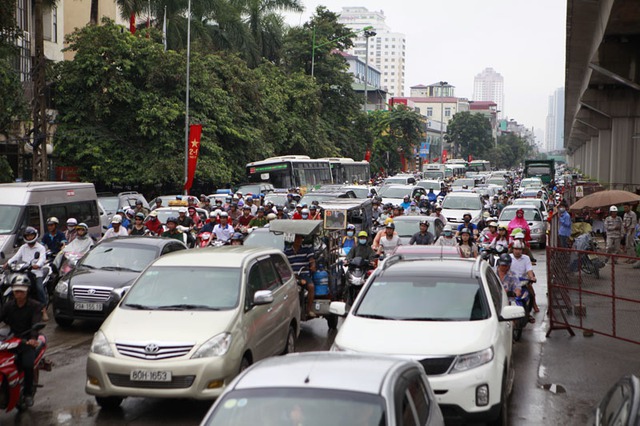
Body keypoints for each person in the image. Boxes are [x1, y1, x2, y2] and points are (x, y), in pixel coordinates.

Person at [0, 276, 44, 407]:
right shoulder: (8, 306)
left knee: (27, 364)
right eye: (16, 291)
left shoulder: (35, 306)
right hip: (10, 339)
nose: (18, 293)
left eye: (21, 291)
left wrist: (32, 339)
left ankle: (28, 393)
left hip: (26, 341)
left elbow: (36, 323)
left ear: (27, 291)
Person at [4, 227, 48, 319]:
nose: (29, 237)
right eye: (27, 236)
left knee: (39, 288)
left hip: (36, 272)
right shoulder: (23, 247)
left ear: (35, 235)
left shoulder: (40, 248)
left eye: (31, 235)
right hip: (23, 272)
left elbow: (42, 259)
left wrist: (37, 265)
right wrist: (7, 263)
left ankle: (43, 309)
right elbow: (16, 257)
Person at [284, 234, 316, 318]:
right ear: (293, 240)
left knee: (311, 286)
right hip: (292, 276)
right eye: (297, 238)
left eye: (300, 239)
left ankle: (308, 310)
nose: (299, 240)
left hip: (304, 274)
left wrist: (312, 265)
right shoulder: (287, 252)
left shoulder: (306, 249)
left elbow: (311, 260)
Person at [510, 240, 538, 313]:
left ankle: (530, 310)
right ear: (512, 249)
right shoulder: (508, 257)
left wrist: (532, 278)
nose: (517, 251)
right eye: (516, 249)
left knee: (531, 294)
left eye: (519, 249)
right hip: (511, 283)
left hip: (523, 281)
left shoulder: (526, 258)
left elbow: (529, 270)